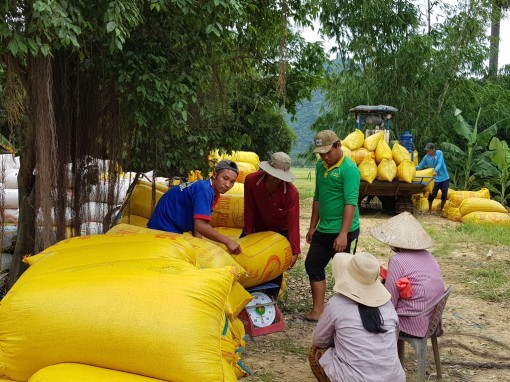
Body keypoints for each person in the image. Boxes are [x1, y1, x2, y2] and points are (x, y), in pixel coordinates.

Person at [309, 252, 406, 382]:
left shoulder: (336, 304)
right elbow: (392, 339)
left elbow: (319, 340)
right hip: (394, 378)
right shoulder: (388, 306)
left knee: (315, 352)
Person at [304, 130, 361, 322]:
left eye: (328, 152)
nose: (324, 156)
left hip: (344, 230)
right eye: (321, 153)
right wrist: (313, 227)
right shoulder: (321, 167)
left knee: (343, 272)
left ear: (338, 146)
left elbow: (350, 203)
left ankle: (345, 315)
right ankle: (318, 310)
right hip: (324, 228)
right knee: (313, 264)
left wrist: (343, 234)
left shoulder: (349, 169)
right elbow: (318, 198)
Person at [371, 211, 445, 338]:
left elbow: (390, 301)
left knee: (368, 316)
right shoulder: (428, 255)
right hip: (431, 319)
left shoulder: (397, 260)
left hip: (412, 321)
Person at [147, 160, 241, 254]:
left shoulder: (209, 190)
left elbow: (197, 222)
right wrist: (228, 241)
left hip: (169, 228)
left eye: (232, 182)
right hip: (162, 229)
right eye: (225, 178)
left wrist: (198, 246)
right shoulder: (204, 191)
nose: (227, 185)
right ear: (215, 175)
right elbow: (200, 226)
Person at [243, 152, 300, 269]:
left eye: (279, 176)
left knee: (275, 265)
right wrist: (248, 233)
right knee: (246, 259)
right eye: (273, 175)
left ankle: (274, 287)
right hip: (259, 226)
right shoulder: (251, 181)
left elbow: (293, 222)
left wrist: (295, 250)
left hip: (281, 230)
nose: (276, 179)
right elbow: (249, 208)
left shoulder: (292, 193)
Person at [416, 142, 450, 212]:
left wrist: (436, 171)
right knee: (432, 194)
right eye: (427, 150)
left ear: (433, 149)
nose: (427, 151)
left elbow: (439, 163)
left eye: (429, 150)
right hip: (435, 179)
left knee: (444, 195)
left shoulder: (439, 153)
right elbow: (420, 166)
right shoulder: (426, 157)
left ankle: (441, 209)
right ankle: (430, 209)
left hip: (444, 178)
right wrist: (412, 168)